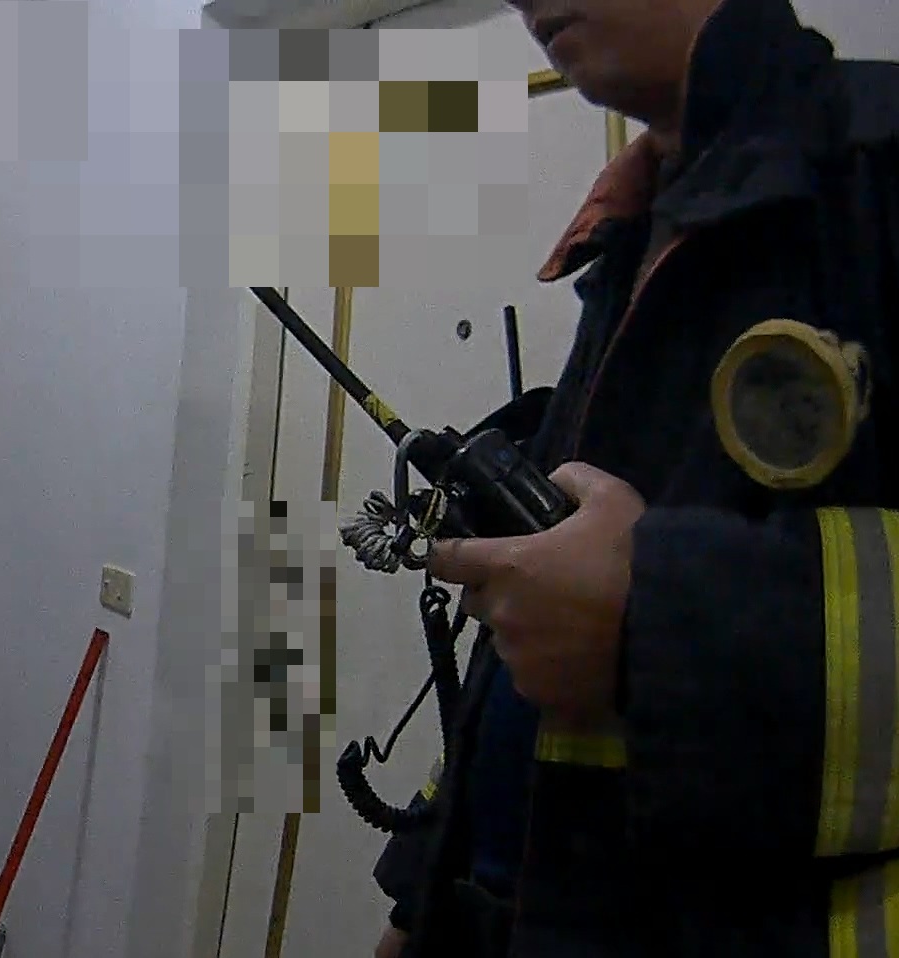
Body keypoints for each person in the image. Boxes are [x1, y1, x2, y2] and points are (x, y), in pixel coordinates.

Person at [369, 0, 899, 955]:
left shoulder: (878, 172)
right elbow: (533, 631)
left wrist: (653, 621)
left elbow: (603, 607)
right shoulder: (631, 236)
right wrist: (419, 900)